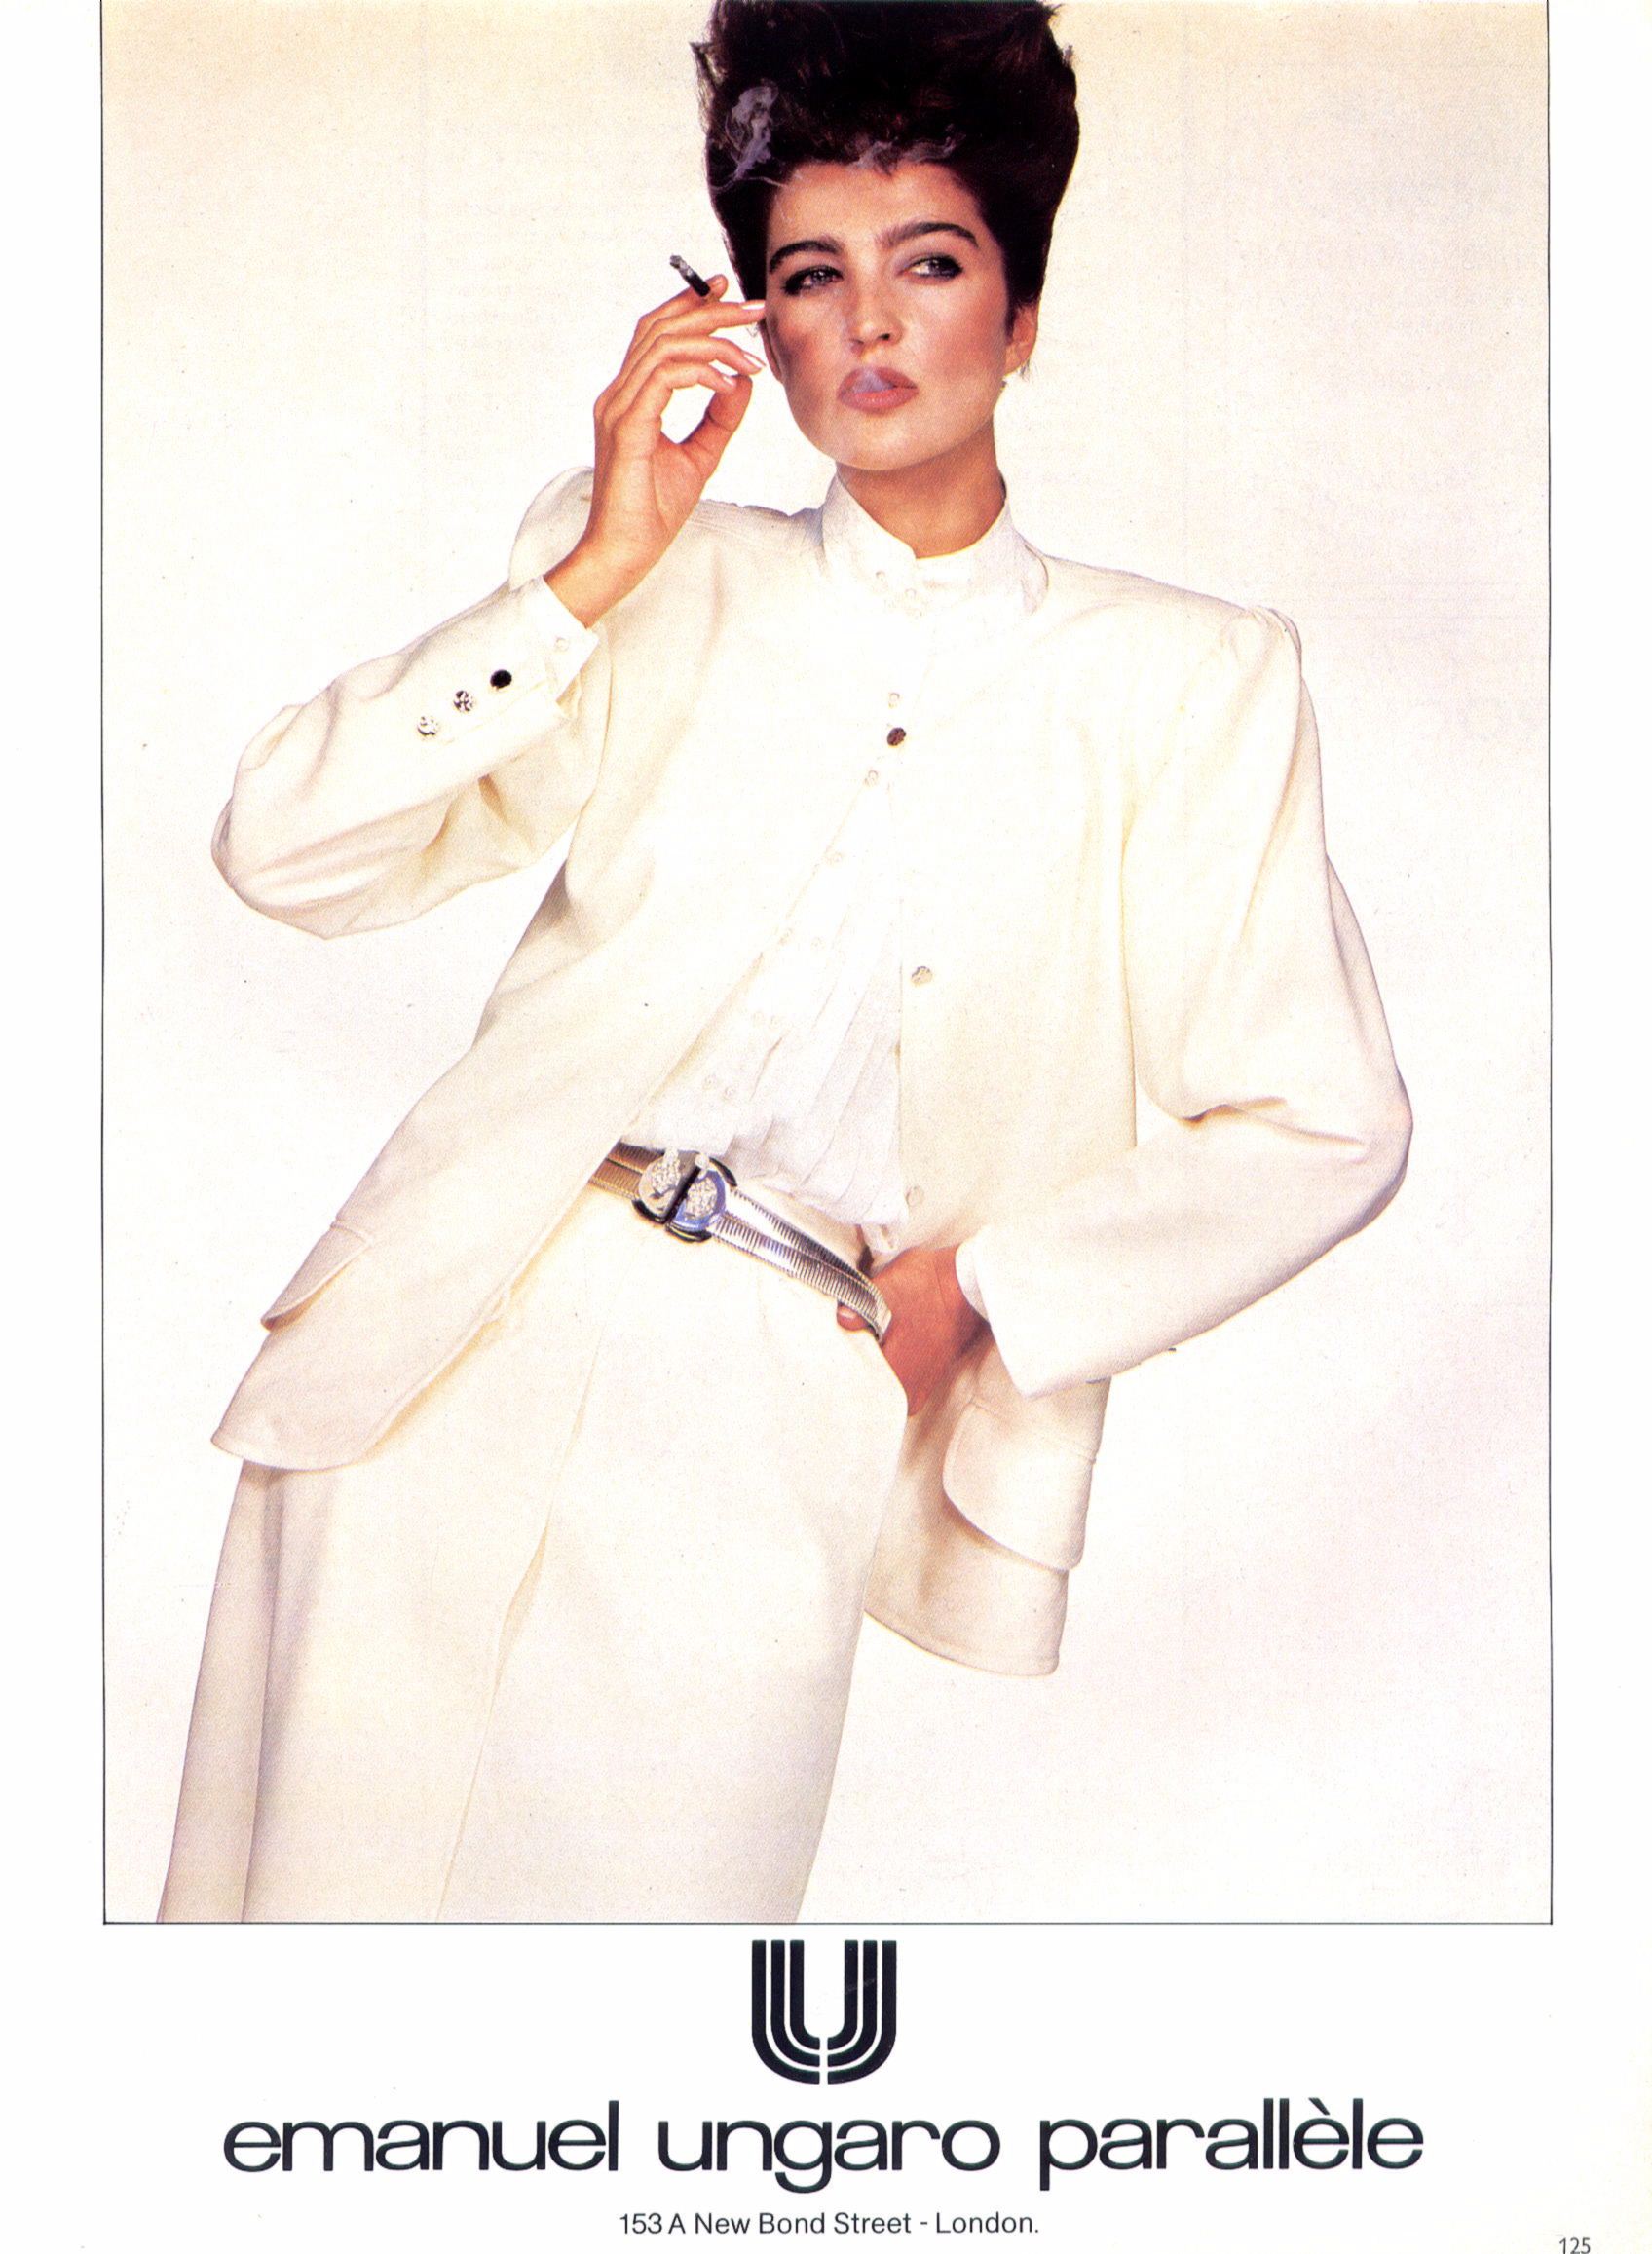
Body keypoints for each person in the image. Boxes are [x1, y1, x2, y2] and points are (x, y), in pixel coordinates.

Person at [160, 0, 1410, 1924]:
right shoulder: (656, 578)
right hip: (450, 1337)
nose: (873, 320)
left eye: (933, 262)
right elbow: (285, 850)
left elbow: (1328, 1119)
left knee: (634, 2026)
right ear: (758, 323)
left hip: (781, 1374)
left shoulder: (1187, 681)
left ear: (1022, 313)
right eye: (812, 275)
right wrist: (595, 563)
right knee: (298, 1995)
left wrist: (983, 1291)